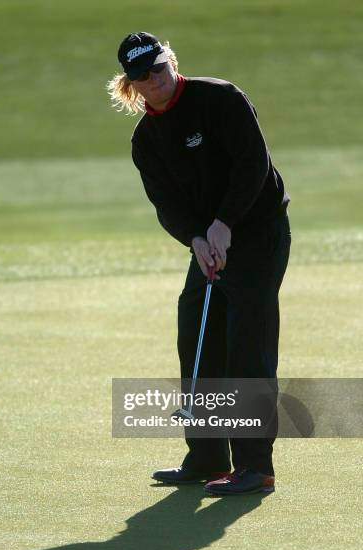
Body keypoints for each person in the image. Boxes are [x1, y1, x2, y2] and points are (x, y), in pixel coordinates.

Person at [107, 32, 291, 495]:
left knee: (247, 349)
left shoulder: (221, 98)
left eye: (158, 66)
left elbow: (254, 164)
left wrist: (225, 223)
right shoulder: (145, 139)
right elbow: (166, 203)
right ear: (131, 86)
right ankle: (208, 457)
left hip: (257, 232)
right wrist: (195, 238)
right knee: (197, 335)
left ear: (170, 59)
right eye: (143, 76)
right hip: (208, 242)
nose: (155, 79)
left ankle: (255, 468)